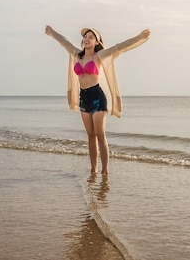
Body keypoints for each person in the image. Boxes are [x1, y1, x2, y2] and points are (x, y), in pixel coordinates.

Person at [45, 25, 150, 174]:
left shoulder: (99, 56)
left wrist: (140, 37)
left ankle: (105, 171)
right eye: (85, 37)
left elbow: (120, 47)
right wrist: (51, 32)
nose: (86, 39)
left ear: (97, 42)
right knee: (90, 136)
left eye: (90, 37)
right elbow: (64, 41)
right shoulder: (77, 54)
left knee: (100, 135)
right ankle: (93, 169)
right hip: (83, 98)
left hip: (97, 98)